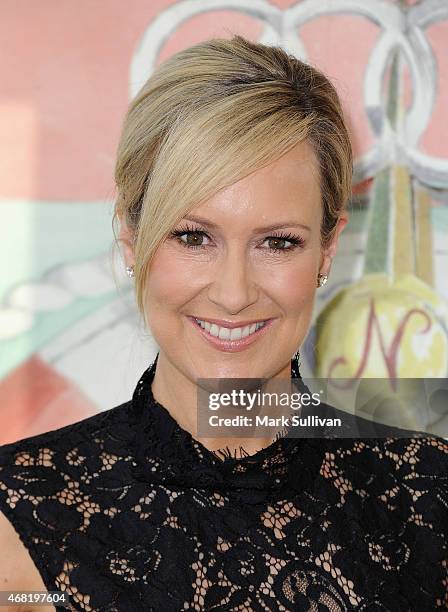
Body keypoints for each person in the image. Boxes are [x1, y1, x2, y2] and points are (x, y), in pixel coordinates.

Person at [0, 34, 446, 612]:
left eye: (279, 243)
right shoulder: (22, 524)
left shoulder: (426, 496)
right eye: (194, 237)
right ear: (133, 239)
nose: (235, 294)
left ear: (328, 249)